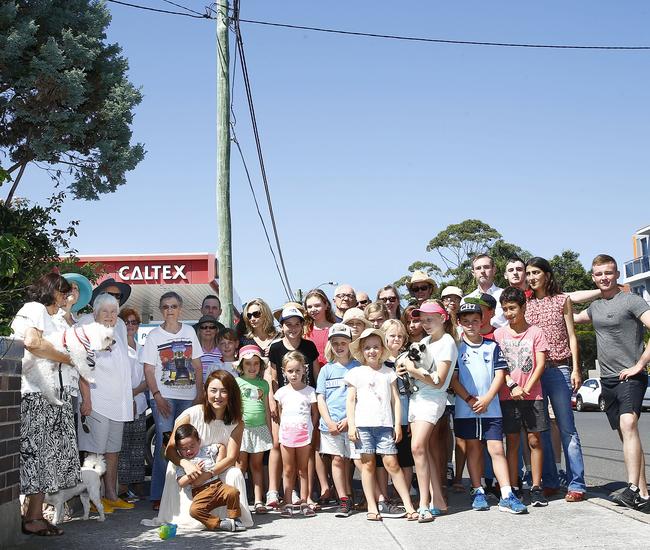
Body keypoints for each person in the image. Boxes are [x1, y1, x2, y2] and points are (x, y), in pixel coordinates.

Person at [574, 254, 650, 512]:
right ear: (593, 277)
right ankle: (642, 492)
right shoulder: (595, 308)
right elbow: (566, 307)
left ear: (617, 274)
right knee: (627, 434)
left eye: (608, 273)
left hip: (630, 376)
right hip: (606, 379)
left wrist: (639, 365)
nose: (604, 278)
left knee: (629, 423)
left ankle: (630, 489)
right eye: (599, 274)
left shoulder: (631, 300)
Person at [11, 273, 80, 537]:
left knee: (46, 459)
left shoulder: (53, 317)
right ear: (51, 290)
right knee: (37, 457)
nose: (66, 296)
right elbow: (33, 343)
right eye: (63, 291)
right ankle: (32, 518)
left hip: (54, 395)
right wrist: (67, 358)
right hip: (37, 394)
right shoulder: (34, 308)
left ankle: (34, 515)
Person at [451, 302, 527, 514]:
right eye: (465, 321)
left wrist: (487, 399)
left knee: (496, 449)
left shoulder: (491, 346)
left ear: (482, 321)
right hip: (466, 409)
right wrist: (469, 399)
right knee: (473, 449)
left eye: (475, 321)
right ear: (459, 323)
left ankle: (506, 494)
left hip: (491, 408)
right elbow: (454, 379)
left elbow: (500, 374)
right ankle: (478, 490)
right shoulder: (456, 348)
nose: (471, 325)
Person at [157, 370, 253, 528]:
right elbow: (170, 450)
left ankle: (234, 517)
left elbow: (231, 458)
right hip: (186, 467)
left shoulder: (237, 422)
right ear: (206, 391)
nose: (218, 396)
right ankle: (204, 518)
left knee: (235, 472)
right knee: (174, 469)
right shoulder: (191, 415)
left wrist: (209, 473)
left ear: (231, 394)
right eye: (213, 390)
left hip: (216, 467)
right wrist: (186, 465)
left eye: (224, 391)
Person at [525, 257, 587, 502]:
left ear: (547, 274)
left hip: (560, 368)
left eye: (536, 272)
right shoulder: (526, 303)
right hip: (535, 372)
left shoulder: (563, 300)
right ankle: (549, 481)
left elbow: (572, 336)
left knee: (567, 427)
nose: (531, 277)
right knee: (541, 429)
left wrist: (576, 369)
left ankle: (577, 484)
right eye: (528, 273)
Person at [346, 328, 418, 522]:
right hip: (363, 426)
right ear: (361, 350)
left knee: (392, 464)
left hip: (385, 425)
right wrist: (351, 426)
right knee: (368, 465)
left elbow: (396, 400)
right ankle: (372, 505)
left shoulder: (389, 373)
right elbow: (351, 401)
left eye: (376, 347)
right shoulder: (356, 373)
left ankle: (408, 505)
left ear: (382, 349)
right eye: (367, 348)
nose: (372, 351)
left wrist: (396, 425)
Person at [142, 291, 204, 510]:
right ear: (161, 310)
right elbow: (149, 370)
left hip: (188, 398)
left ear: (180, 309)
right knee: (164, 445)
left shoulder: (189, 331)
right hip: (164, 398)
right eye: (166, 307)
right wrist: (157, 396)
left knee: (187, 445)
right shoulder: (153, 336)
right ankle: (159, 495)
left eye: (174, 306)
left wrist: (199, 394)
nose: (170, 310)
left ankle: (187, 491)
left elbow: (197, 366)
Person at [397, 301, 458, 521]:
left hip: (432, 399)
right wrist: (403, 367)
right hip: (416, 398)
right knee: (426, 451)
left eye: (430, 319)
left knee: (417, 447)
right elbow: (407, 365)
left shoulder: (448, 342)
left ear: (443, 318)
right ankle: (438, 500)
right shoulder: (423, 341)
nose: (425, 324)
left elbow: (439, 381)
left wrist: (413, 369)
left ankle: (423, 504)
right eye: (422, 320)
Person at [77, 293, 134, 513]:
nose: (110, 316)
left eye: (113, 311)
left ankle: (110, 494)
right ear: (95, 313)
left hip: (117, 405)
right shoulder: (88, 333)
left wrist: (127, 402)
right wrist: (87, 400)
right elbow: (82, 368)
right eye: (105, 311)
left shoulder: (117, 332)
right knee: (94, 452)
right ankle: (92, 498)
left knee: (112, 452)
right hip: (97, 402)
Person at [494, 287, 549, 507]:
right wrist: (512, 384)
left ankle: (536, 487)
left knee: (534, 440)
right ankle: (514, 485)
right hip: (508, 396)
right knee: (513, 441)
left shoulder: (536, 332)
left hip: (533, 395)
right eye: (505, 309)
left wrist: (527, 387)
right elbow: (499, 367)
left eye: (512, 308)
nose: (509, 313)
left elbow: (541, 363)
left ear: (523, 307)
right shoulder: (499, 334)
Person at [266, 306, 320, 509]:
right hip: (284, 402)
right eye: (288, 324)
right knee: (280, 447)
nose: (293, 328)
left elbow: (316, 373)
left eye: (297, 324)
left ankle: (308, 496)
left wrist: (316, 401)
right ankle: (284, 494)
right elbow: (272, 377)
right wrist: (272, 400)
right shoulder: (276, 348)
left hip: (306, 402)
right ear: (282, 326)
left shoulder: (309, 346)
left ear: (302, 326)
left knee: (308, 453)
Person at [316, 324, 361, 518]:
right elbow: (320, 398)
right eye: (335, 343)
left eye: (343, 342)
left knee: (359, 460)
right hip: (331, 425)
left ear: (350, 344)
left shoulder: (358, 367)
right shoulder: (326, 370)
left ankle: (374, 496)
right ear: (330, 345)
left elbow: (361, 397)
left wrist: (349, 420)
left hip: (352, 423)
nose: (340, 346)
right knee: (336, 460)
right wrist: (328, 421)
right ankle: (343, 498)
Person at [174, 424, 245, 531]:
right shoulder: (183, 463)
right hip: (200, 493)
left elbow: (221, 446)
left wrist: (219, 461)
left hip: (217, 485)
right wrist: (192, 473)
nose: (188, 451)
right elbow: (181, 482)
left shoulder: (206, 450)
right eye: (183, 449)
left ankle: (235, 518)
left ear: (199, 442)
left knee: (233, 492)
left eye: (192, 446)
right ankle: (220, 524)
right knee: (194, 510)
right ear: (178, 450)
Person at [274, 351, 319, 518]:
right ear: (284, 371)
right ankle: (287, 503)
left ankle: (305, 502)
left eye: (297, 371)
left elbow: (315, 414)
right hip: (286, 435)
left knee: (303, 469)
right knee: (287, 469)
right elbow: (280, 414)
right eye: (290, 371)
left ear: (304, 370)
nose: (294, 374)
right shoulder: (281, 393)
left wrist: (310, 429)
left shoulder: (310, 391)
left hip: (304, 435)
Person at [378, 319, 415, 517]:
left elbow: (413, 392)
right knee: (382, 462)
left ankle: (402, 496)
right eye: (392, 335)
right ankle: (384, 497)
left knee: (405, 460)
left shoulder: (408, 361)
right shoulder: (377, 361)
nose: (396, 339)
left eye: (400, 336)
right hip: (382, 419)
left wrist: (410, 419)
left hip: (404, 418)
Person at [235, 345, 273, 514]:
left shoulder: (264, 384)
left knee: (256, 465)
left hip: (260, 429)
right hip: (242, 430)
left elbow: (265, 408)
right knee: (240, 466)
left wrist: (270, 432)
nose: (252, 367)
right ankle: (238, 499)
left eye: (256, 364)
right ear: (241, 366)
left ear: (260, 365)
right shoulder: (236, 382)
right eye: (248, 364)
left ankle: (258, 500)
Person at [117, 307, 148, 500]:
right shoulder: (117, 348)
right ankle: (121, 488)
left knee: (138, 447)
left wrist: (136, 394)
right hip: (122, 403)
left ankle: (136, 487)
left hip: (140, 402)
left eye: (134, 322)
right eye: (126, 322)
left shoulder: (143, 349)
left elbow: (147, 377)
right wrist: (129, 398)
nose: (130, 326)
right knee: (122, 447)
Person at [465, 254, 506, 328]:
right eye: (478, 268)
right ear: (473, 273)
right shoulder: (466, 300)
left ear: (494, 270)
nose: (482, 271)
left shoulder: (505, 295)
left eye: (486, 267)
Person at [303, 288, 336, 366]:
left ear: (326, 305)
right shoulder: (304, 331)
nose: (313, 309)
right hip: (311, 375)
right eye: (309, 307)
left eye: (317, 305)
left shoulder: (335, 328)